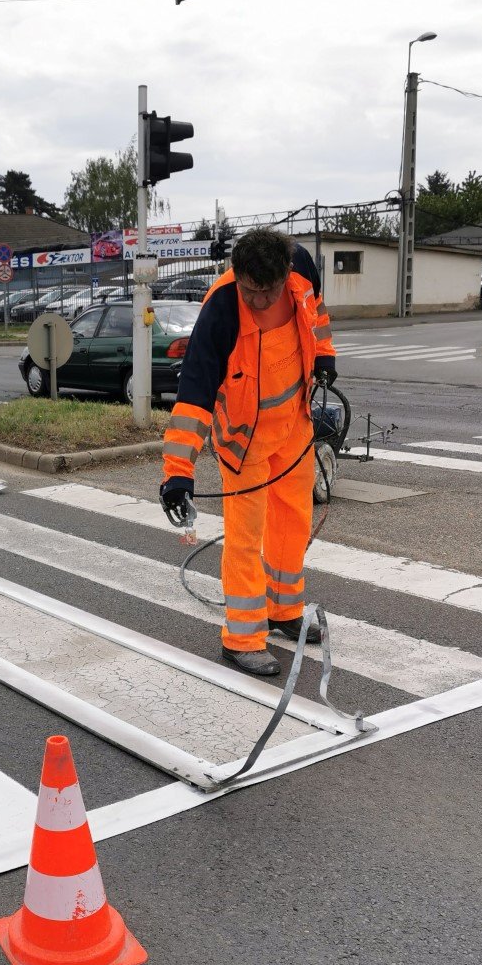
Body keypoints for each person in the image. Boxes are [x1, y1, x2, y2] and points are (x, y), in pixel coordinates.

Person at [159, 228, 337, 676]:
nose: (259, 302)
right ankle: (242, 637)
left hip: (293, 427)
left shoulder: (302, 271)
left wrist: (325, 356)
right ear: (236, 276)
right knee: (245, 538)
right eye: (250, 291)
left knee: (292, 524)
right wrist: (178, 471)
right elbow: (193, 397)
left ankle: (283, 612)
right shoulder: (220, 311)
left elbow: (316, 314)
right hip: (244, 442)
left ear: (286, 274)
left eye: (268, 292)